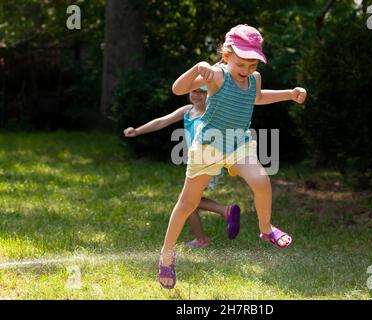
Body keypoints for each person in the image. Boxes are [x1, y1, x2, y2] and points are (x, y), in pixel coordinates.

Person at [159, 24, 307, 289]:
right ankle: (167, 255)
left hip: (238, 144)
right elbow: (177, 89)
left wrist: (289, 94)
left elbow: (257, 98)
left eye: (253, 65)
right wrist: (197, 68)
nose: (247, 71)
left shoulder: (254, 79)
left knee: (262, 181)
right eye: (242, 64)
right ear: (226, 56)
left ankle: (266, 229)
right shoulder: (216, 75)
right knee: (187, 204)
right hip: (209, 147)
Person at [123, 86, 241, 249]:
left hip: (209, 161)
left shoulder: (212, 112)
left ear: (211, 95)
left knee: (185, 201)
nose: (197, 95)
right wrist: (137, 131)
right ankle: (207, 232)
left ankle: (220, 216)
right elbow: (162, 121)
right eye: (194, 91)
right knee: (189, 201)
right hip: (197, 162)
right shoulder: (187, 111)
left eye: (202, 92)